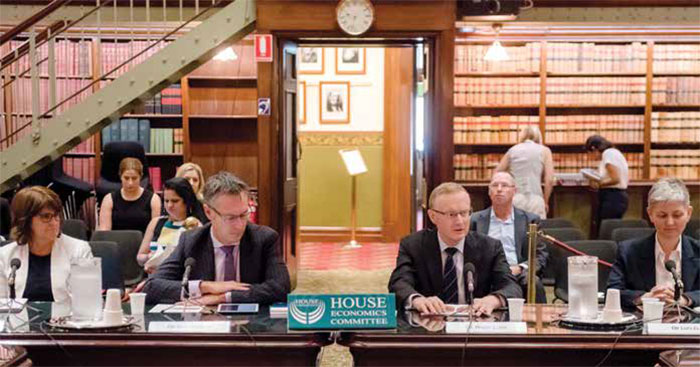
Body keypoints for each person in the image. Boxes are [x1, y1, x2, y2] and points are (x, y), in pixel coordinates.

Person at [144, 171, 291, 305]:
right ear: (208, 212)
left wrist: (222, 297)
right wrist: (206, 286)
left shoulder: (264, 238)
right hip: (204, 328)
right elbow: (152, 287)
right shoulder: (191, 241)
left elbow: (280, 288)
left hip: (253, 327)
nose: (240, 225)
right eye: (230, 218)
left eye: (243, 214)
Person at [388, 182, 521, 316]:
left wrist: (493, 300)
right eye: (452, 214)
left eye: (464, 213)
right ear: (433, 216)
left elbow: (512, 287)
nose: (460, 221)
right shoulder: (413, 245)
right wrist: (417, 300)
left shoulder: (490, 247)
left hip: (475, 327)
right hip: (429, 325)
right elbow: (398, 283)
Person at [608, 178, 699, 310]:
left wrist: (684, 299)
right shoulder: (628, 251)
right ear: (650, 214)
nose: (670, 222)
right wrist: (644, 298)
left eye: (677, 215)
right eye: (662, 215)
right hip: (644, 325)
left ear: (689, 213)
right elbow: (612, 292)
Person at [0, 186, 93, 302]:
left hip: (66, 318)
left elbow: (87, 301)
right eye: (46, 217)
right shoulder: (5, 255)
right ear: (25, 221)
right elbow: (2, 306)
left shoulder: (79, 250)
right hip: (20, 319)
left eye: (56, 215)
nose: (54, 223)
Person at [470, 172, 548, 303]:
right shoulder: (475, 220)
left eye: (505, 185)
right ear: (489, 191)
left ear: (514, 191)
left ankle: (539, 321)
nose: (499, 189)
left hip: (517, 271)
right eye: (495, 185)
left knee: (533, 282)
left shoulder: (530, 220)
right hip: (487, 272)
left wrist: (520, 268)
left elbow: (540, 256)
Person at [136, 177, 206, 271]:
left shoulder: (194, 224)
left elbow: (196, 261)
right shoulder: (156, 222)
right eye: (166, 201)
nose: (169, 205)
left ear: (187, 201)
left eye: (175, 201)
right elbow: (139, 258)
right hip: (154, 277)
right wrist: (150, 257)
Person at [496, 125, 554, 219]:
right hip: (536, 199)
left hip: (515, 198)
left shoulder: (513, 150)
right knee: (535, 232)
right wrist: (545, 201)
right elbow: (549, 180)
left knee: (515, 231)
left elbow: (497, 173)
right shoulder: (545, 151)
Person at [98, 158, 161, 233]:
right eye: (126, 178)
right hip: (116, 243)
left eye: (134, 178)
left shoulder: (153, 199)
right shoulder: (109, 199)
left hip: (144, 243)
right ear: (120, 176)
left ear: (140, 177)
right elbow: (104, 231)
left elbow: (156, 231)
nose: (130, 183)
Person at [585, 134, 629, 222]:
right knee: (606, 226)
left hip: (613, 197)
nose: (590, 157)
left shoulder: (608, 153)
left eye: (589, 153)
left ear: (594, 149)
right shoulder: (612, 153)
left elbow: (615, 178)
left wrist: (599, 184)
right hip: (614, 196)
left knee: (606, 228)